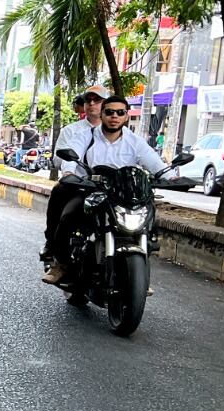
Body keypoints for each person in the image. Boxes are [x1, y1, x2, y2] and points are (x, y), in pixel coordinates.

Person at [42, 95, 164, 283]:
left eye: (119, 112)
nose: (114, 116)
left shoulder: (134, 141)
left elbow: (154, 163)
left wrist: (171, 177)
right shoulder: (86, 136)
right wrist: (68, 173)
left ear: (126, 116)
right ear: (103, 114)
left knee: (149, 217)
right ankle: (60, 263)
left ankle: (140, 275)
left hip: (124, 194)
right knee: (68, 216)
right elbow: (72, 155)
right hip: (91, 190)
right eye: (109, 112)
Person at [41, 90, 103, 275]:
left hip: (111, 188)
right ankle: (54, 248)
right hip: (80, 184)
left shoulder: (122, 134)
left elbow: (142, 155)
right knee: (61, 194)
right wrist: (69, 172)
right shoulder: (74, 131)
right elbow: (63, 156)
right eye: (88, 100)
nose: (92, 104)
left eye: (97, 100)